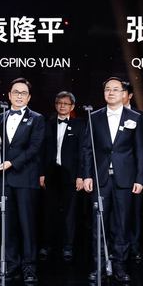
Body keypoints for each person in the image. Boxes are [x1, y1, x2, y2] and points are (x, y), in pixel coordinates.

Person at [83, 77, 143, 282]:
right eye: (108, 89)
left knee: (122, 223)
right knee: (98, 223)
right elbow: (88, 149)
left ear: (124, 93)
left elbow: (139, 151)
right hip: (100, 177)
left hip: (125, 178)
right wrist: (87, 175)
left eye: (116, 89)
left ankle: (119, 264)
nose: (111, 92)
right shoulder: (94, 117)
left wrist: (139, 178)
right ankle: (99, 265)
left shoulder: (135, 117)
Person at [0, 77, 45, 284]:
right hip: (4, 180)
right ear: (9, 95)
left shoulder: (37, 118)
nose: (19, 96)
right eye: (15, 92)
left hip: (25, 177)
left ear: (29, 97)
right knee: (7, 225)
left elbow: (34, 148)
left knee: (27, 225)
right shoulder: (0, 117)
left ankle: (29, 267)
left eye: (23, 93)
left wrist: (11, 163)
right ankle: (11, 265)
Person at [39, 91, 90, 260]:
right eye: (59, 102)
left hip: (71, 175)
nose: (62, 105)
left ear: (72, 106)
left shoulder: (80, 126)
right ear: (55, 105)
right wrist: (41, 174)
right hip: (51, 173)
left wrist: (81, 175)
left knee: (69, 212)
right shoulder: (47, 125)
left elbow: (83, 152)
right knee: (49, 211)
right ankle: (48, 244)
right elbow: (41, 151)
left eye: (66, 103)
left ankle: (68, 246)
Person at [123, 81, 143, 261]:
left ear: (130, 95)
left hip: (132, 169)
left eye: (122, 91)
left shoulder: (140, 116)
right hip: (111, 170)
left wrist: (139, 176)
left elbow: (140, 147)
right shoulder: (105, 115)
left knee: (133, 210)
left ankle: (133, 246)